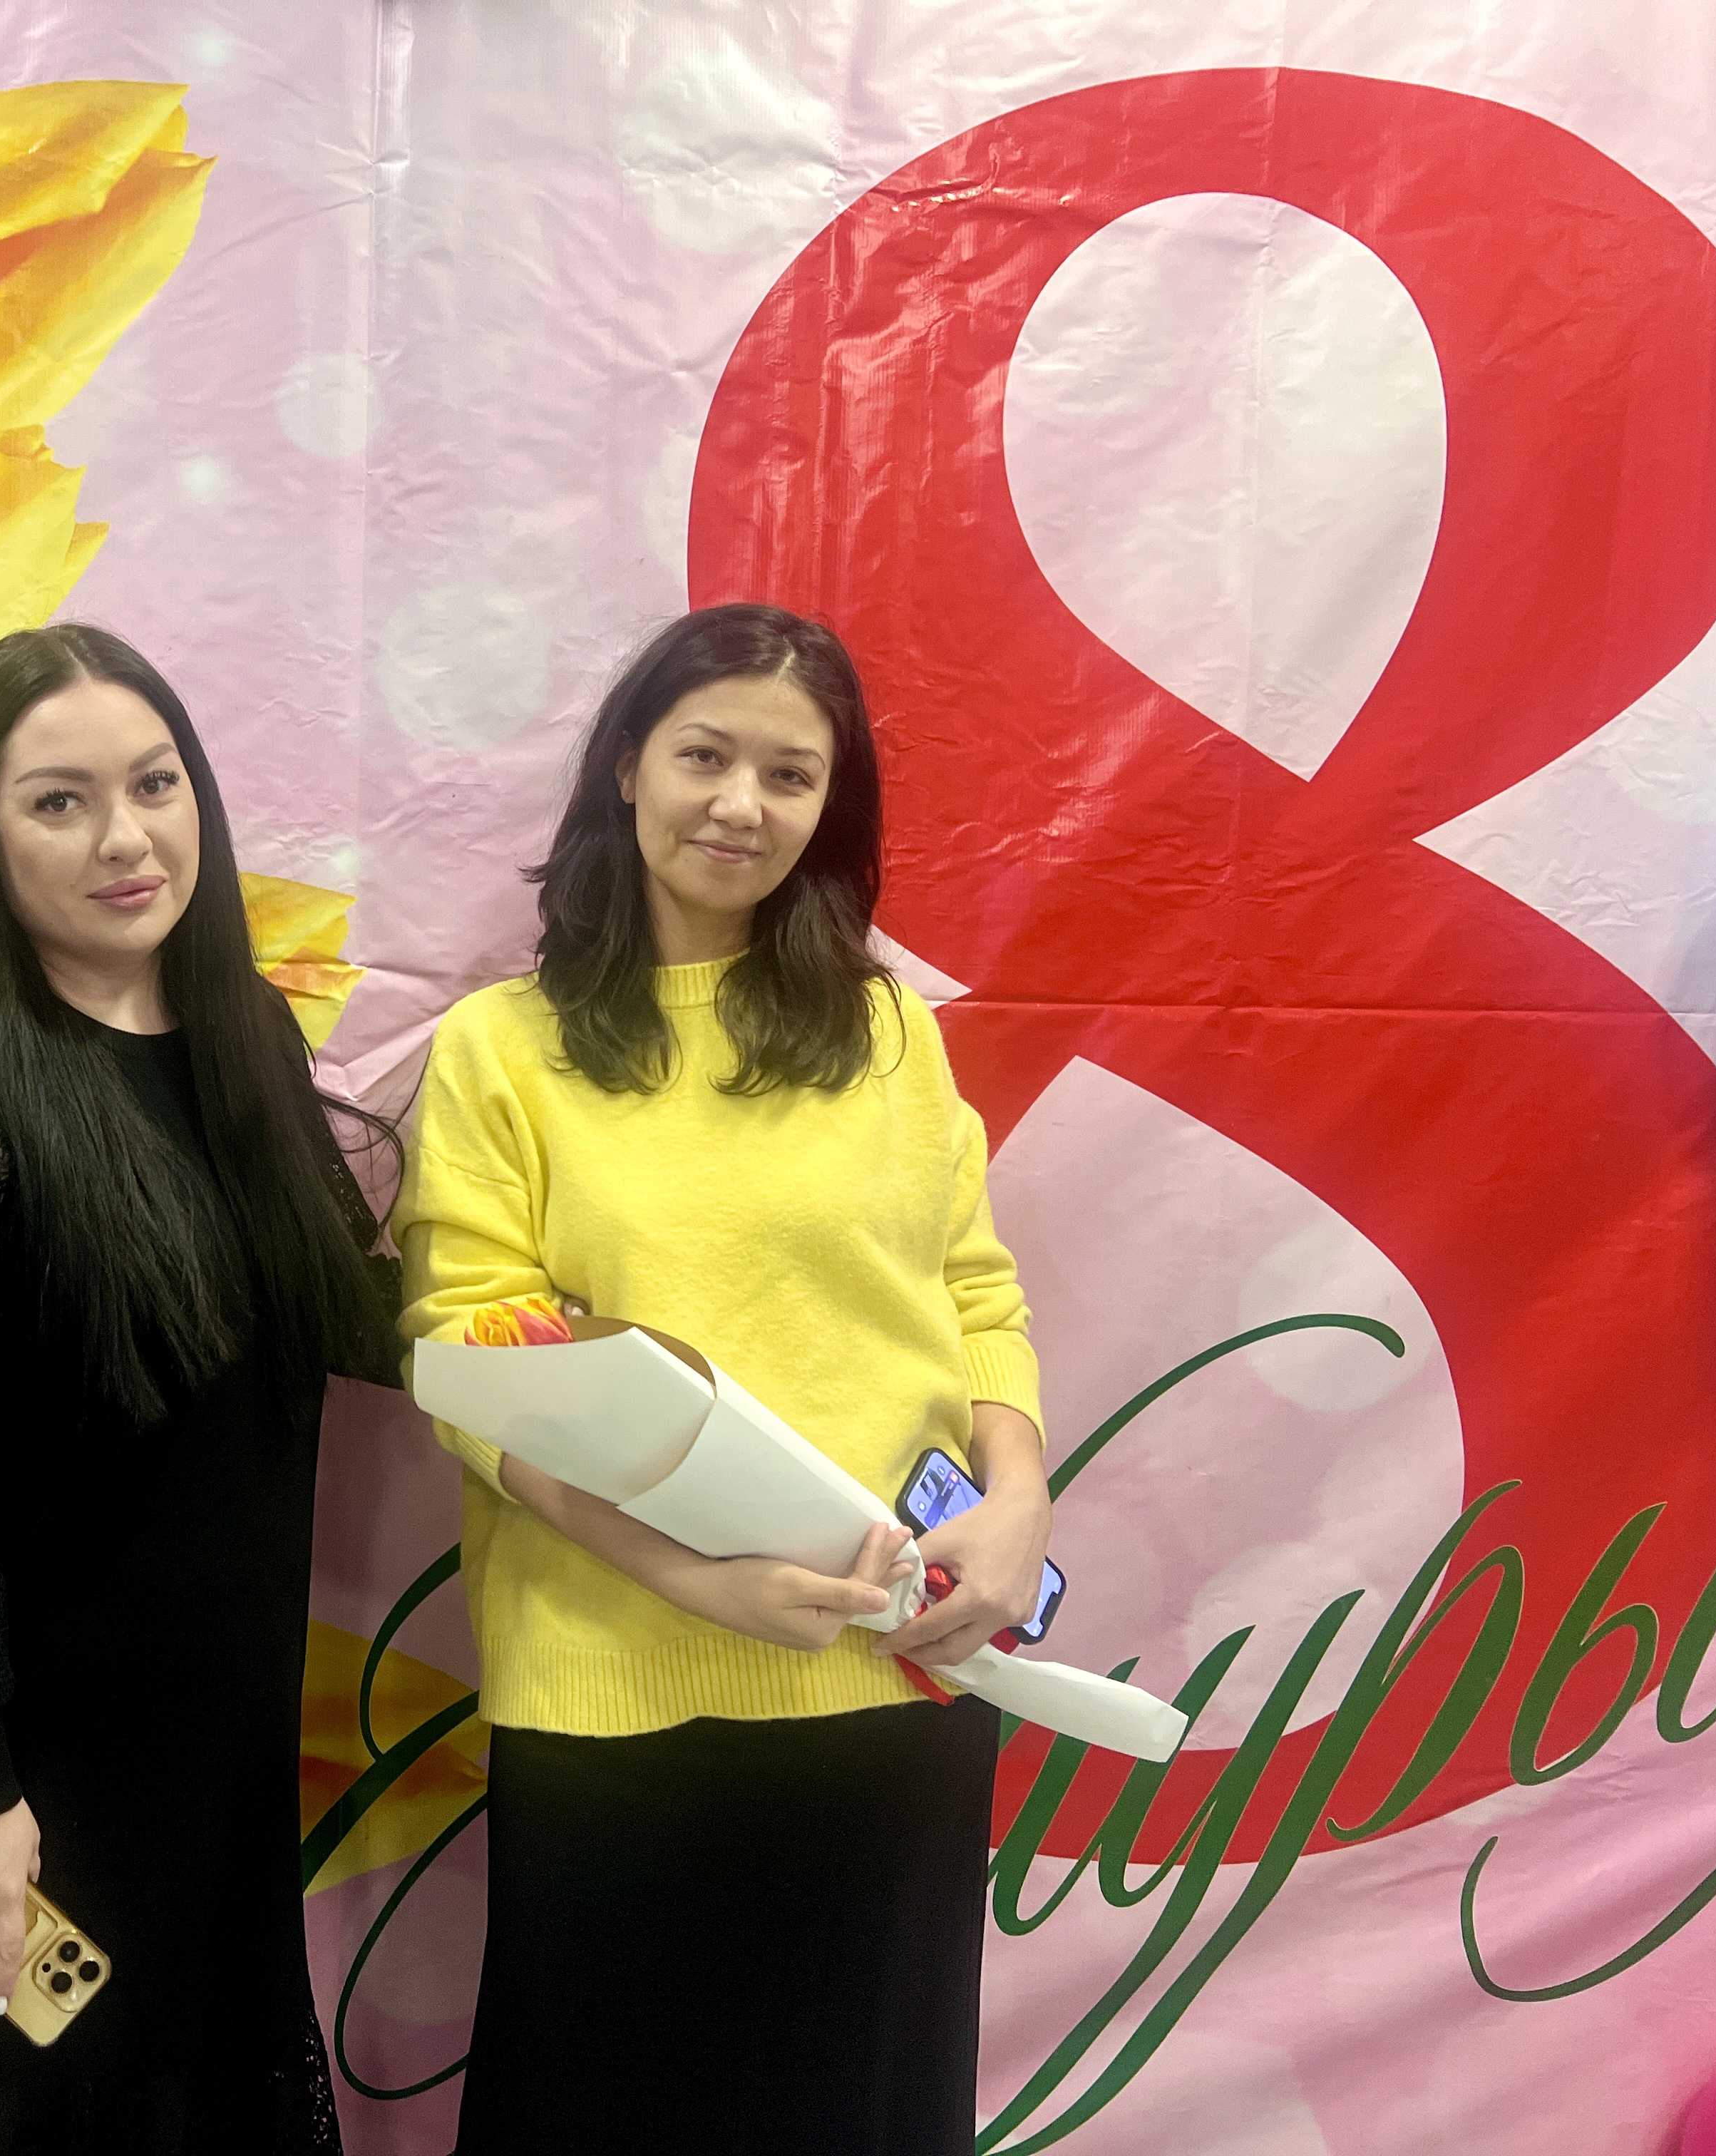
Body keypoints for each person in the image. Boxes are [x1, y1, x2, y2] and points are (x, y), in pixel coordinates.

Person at [391, 604, 1052, 2153]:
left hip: (892, 1672)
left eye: (790, 775)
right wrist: (688, 1577)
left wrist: (1019, 1499)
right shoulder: (502, 1050)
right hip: (615, 1690)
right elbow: (469, 1368)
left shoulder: (889, 1035)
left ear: (832, 809)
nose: (740, 805)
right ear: (629, 765)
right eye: (705, 756)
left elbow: (975, 1291)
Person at [0, 623, 399, 2154]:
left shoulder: (245, 1034)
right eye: (59, 802)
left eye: (154, 784)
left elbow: (351, 1314)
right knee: (13, 2113)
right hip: (4, 1758)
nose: (126, 838)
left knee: (193, 2092)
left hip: (207, 1729)